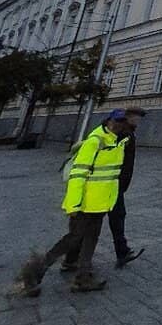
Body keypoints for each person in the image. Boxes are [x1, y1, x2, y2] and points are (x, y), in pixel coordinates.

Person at [15, 110, 132, 295]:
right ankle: (36, 270)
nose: (119, 125)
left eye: (122, 122)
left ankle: (83, 278)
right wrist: (74, 204)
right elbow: (78, 175)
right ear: (108, 122)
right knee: (73, 239)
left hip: (101, 203)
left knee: (91, 239)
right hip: (85, 203)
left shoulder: (117, 143)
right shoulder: (95, 142)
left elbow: (110, 176)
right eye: (116, 121)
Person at [62, 106, 145, 271]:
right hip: (105, 186)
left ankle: (118, 253)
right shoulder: (119, 134)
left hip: (112, 184)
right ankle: (68, 261)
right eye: (136, 117)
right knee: (93, 225)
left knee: (112, 220)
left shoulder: (125, 133)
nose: (138, 120)